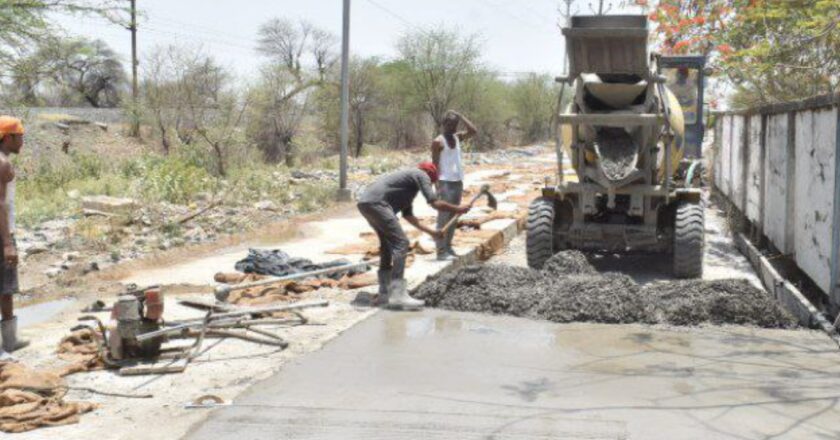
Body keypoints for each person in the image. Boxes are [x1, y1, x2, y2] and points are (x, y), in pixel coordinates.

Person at [357, 162, 470, 310]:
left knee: (386, 246)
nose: (430, 185)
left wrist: (432, 232)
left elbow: (409, 217)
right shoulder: (420, 174)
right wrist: (457, 208)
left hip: (366, 203)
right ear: (430, 176)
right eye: (431, 182)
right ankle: (397, 294)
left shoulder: (407, 188)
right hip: (377, 204)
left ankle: (384, 293)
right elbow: (434, 203)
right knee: (402, 243)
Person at [0, 117, 28, 359]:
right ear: (7, 137)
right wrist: (8, 242)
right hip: (2, 233)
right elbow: (0, 205)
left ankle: (9, 341)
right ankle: (9, 343)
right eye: (20, 137)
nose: (22, 141)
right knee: (6, 286)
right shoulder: (2, 164)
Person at [432, 110, 477, 261]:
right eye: (449, 124)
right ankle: (440, 250)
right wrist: (436, 185)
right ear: (443, 124)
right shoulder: (438, 142)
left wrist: (461, 115)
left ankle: (449, 246)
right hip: (445, 182)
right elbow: (434, 164)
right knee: (443, 217)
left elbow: (473, 131)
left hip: (457, 181)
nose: (452, 127)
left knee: (454, 216)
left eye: (454, 125)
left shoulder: (457, 138)